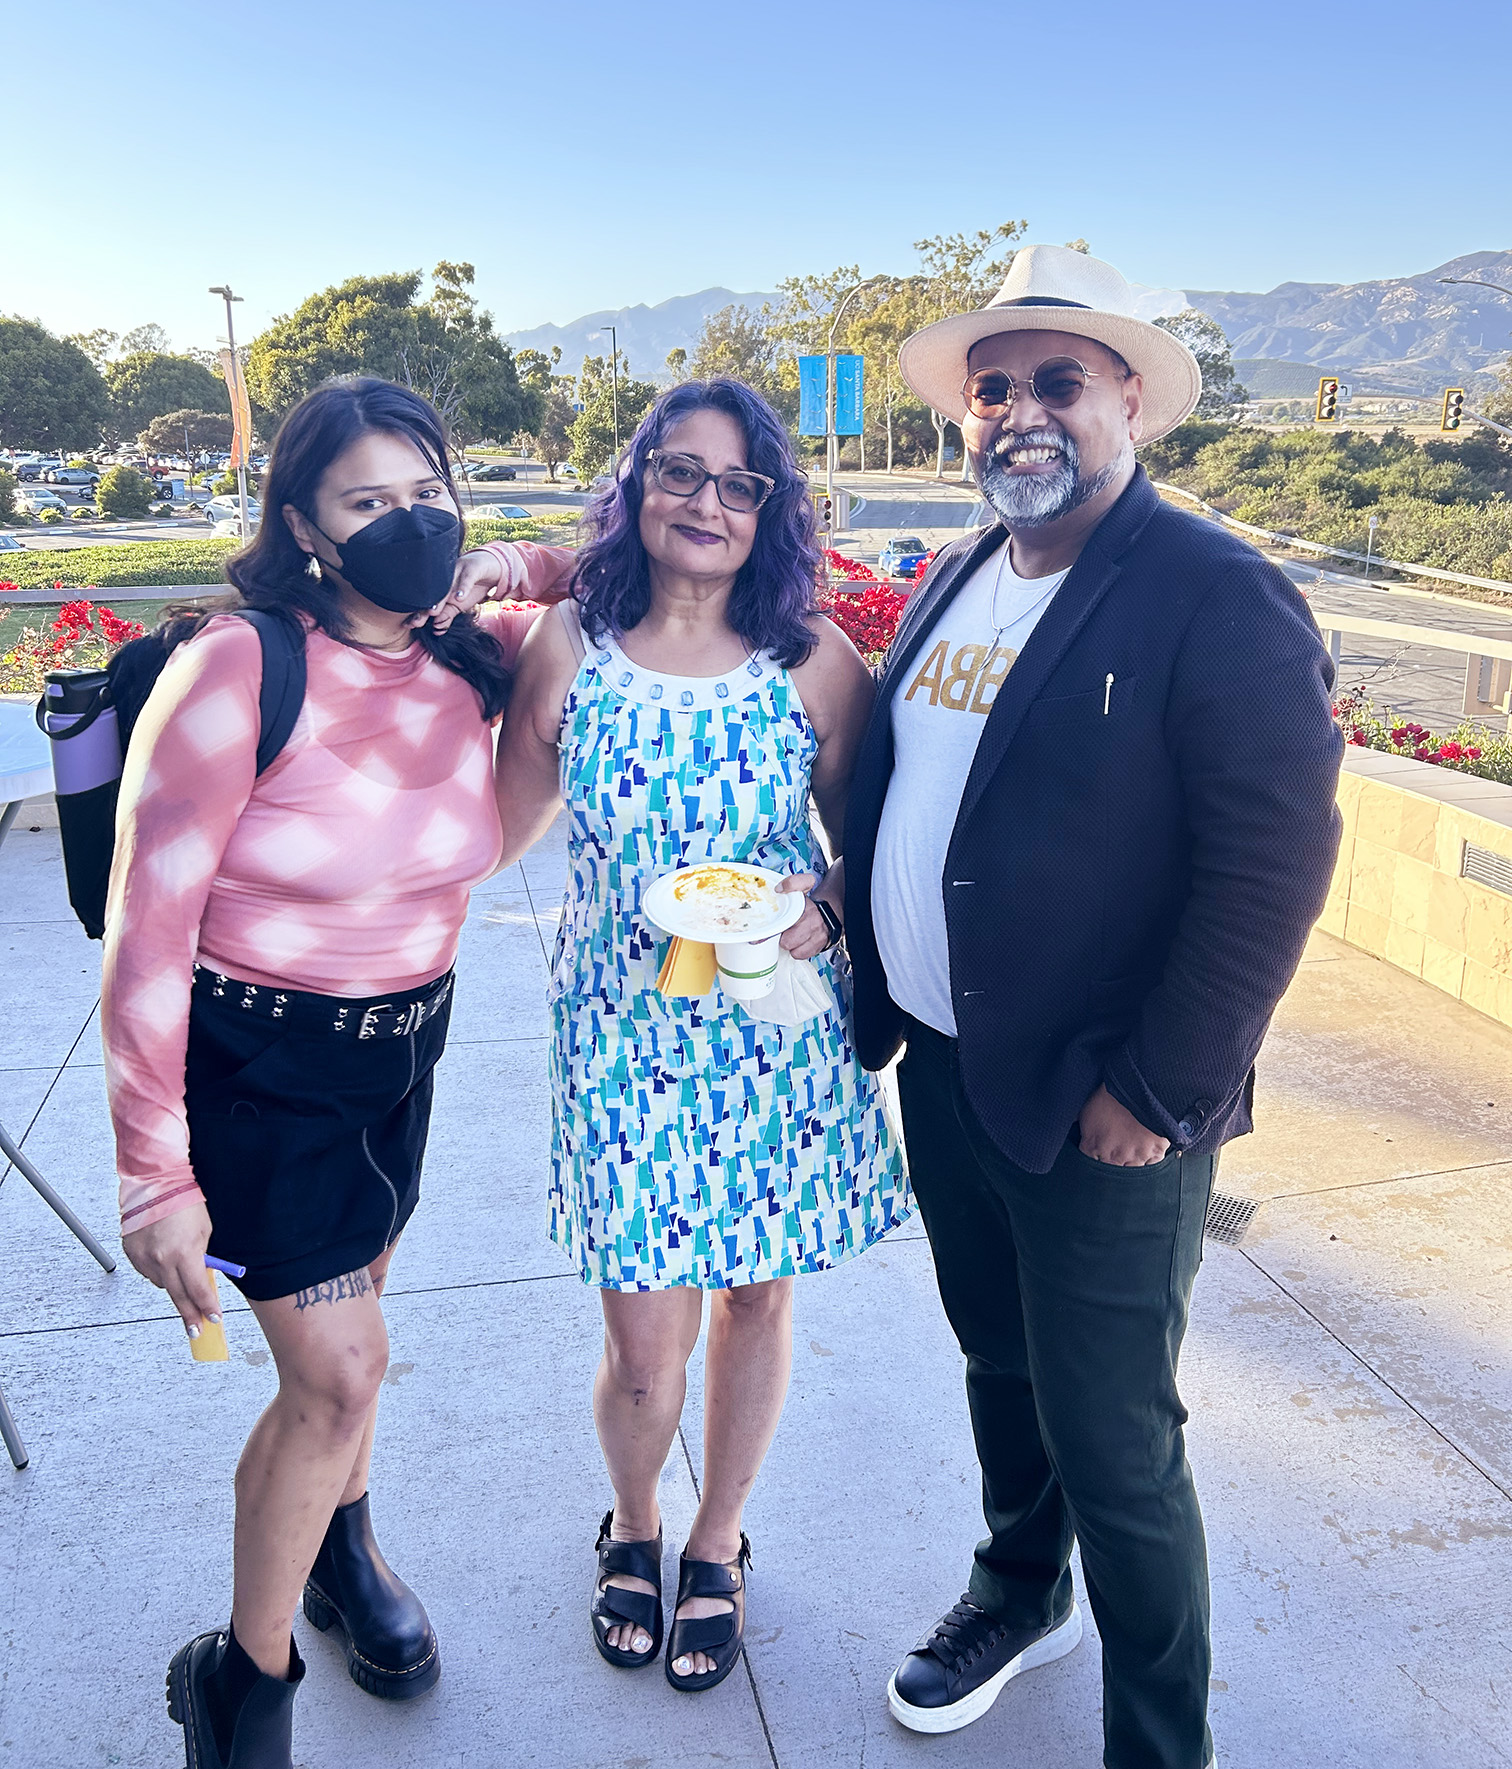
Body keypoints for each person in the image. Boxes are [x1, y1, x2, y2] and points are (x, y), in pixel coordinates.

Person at [840, 246, 1344, 1768]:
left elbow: (1272, 865)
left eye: (1057, 380)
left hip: (1105, 1101)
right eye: (994, 386)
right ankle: (1017, 1586)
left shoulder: (1214, 592)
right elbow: (915, 791)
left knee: (1119, 1443)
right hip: (943, 1065)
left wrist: (1164, 1088)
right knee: (1000, 1361)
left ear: (1130, 396)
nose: (1018, 410)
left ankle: (1157, 1742)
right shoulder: (957, 573)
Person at [104, 377, 572, 1769]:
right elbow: (147, 928)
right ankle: (241, 1687)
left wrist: (523, 566)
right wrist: (152, 1171)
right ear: (303, 519)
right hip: (260, 1066)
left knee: (357, 1322)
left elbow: (622, 559)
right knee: (340, 1371)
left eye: (429, 495)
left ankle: (340, 1551)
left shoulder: (463, 655)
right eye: (369, 501)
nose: (407, 525)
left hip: (403, 1052)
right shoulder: (242, 664)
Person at [492, 377, 909, 1692]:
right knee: (641, 1342)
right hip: (620, 1042)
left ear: (770, 510)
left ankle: (717, 1539)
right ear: (638, 480)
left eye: (740, 484)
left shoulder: (817, 666)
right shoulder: (570, 645)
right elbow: (489, 834)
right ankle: (632, 1522)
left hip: (771, 1039)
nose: (707, 503)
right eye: (681, 471)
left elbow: (872, 855)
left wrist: (823, 918)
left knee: (754, 1292)